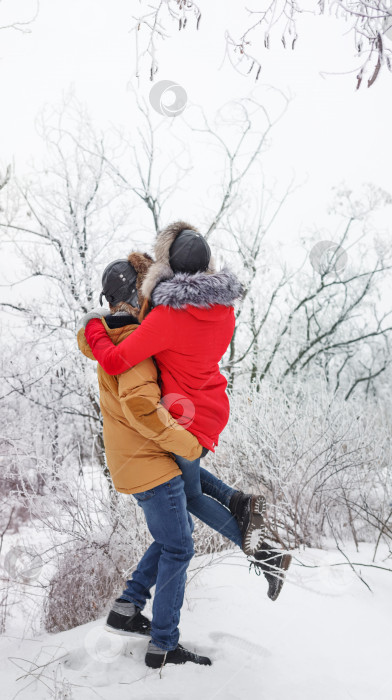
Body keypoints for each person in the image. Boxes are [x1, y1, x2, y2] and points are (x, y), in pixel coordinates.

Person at [82, 223, 291, 601]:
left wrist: (95, 326)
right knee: (187, 485)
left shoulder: (166, 319)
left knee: (190, 498)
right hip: (212, 407)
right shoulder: (223, 309)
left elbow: (115, 360)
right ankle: (238, 502)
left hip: (183, 418)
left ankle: (266, 556)